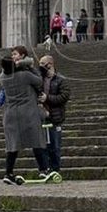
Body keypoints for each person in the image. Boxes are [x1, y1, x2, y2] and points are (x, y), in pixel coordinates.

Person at [0, 46, 48, 185]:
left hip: (10, 114)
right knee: (36, 141)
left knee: (12, 146)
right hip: (28, 112)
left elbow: (5, 70)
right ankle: (43, 170)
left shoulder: (2, 78)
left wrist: (17, 65)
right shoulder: (25, 75)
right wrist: (30, 66)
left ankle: (8, 173)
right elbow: (39, 80)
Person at [38, 55, 70, 183]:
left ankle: (55, 170)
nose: (40, 66)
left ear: (50, 64)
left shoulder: (61, 80)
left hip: (55, 117)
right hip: (42, 117)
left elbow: (64, 96)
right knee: (42, 146)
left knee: (55, 146)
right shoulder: (39, 79)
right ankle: (44, 169)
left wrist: (48, 98)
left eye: (43, 63)